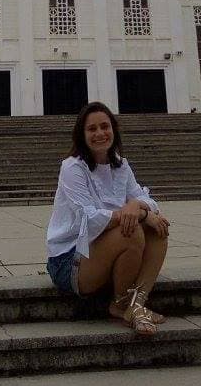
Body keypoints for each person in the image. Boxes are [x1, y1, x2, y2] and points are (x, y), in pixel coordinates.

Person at [46, 101, 170, 335]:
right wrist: (139, 213)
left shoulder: (120, 165)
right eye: (92, 129)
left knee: (158, 228)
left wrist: (138, 206)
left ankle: (136, 304)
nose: (100, 133)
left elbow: (145, 200)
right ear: (82, 135)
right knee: (131, 229)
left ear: (114, 129)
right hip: (69, 259)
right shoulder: (72, 168)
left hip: (103, 251)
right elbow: (90, 219)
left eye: (105, 126)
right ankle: (122, 304)